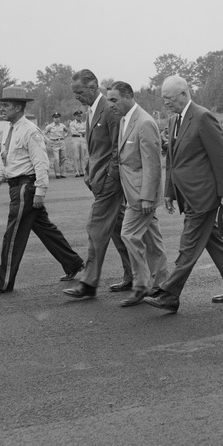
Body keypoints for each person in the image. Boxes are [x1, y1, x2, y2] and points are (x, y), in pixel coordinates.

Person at [142, 75, 223, 314]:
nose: (165, 103)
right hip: (186, 194)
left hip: (205, 195)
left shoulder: (202, 117)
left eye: (168, 98)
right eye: (163, 98)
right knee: (210, 238)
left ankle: (170, 293)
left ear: (183, 94)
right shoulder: (173, 120)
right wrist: (169, 191)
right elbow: (172, 160)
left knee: (189, 245)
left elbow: (222, 157)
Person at [0, 87, 84, 296]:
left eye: (6, 105)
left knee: (13, 236)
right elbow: (3, 159)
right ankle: (73, 263)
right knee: (45, 229)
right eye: (2, 105)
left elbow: (41, 164)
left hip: (25, 188)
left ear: (18, 107)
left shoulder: (30, 131)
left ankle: (3, 282)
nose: (2, 109)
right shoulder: (9, 129)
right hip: (16, 185)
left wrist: (40, 193)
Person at [61, 70, 132, 299]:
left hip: (109, 184)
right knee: (117, 229)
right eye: (75, 93)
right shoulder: (90, 111)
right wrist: (91, 173)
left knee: (95, 228)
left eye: (80, 92)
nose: (77, 97)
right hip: (98, 180)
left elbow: (117, 148)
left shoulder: (109, 110)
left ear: (93, 87)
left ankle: (89, 282)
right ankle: (133, 275)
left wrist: (109, 177)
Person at [109, 81, 169, 305]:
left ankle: (141, 284)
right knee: (152, 240)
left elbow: (152, 165)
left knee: (129, 235)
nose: (111, 104)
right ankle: (163, 285)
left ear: (128, 97)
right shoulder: (124, 120)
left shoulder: (144, 122)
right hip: (131, 192)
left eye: (114, 100)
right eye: (109, 100)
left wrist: (147, 197)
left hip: (142, 195)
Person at [43, 113, 70, 179]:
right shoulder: (49, 126)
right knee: (56, 159)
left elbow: (67, 131)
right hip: (54, 143)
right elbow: (43, 133)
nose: (56, 119)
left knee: (63, 158)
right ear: (53, 118)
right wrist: (48, 140)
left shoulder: (62, 126)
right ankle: (57, 173)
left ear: (59, 118)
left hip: (61, 142)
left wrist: (65, 136)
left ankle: (62, 173)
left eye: (58, 117)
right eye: (55, 118)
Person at [67, 109, 88, 177]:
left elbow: (86, 130)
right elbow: (73, 132)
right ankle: (76, 171)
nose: (79, 117)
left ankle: (83, 171)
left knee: (83, 156)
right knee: (76, 156)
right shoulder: (72, 123)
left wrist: (79, 130)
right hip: (75, 139)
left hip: (82, 139)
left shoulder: (84, 123)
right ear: (75, 116)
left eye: (80, 116)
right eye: (78, 116)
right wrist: (82, 131)